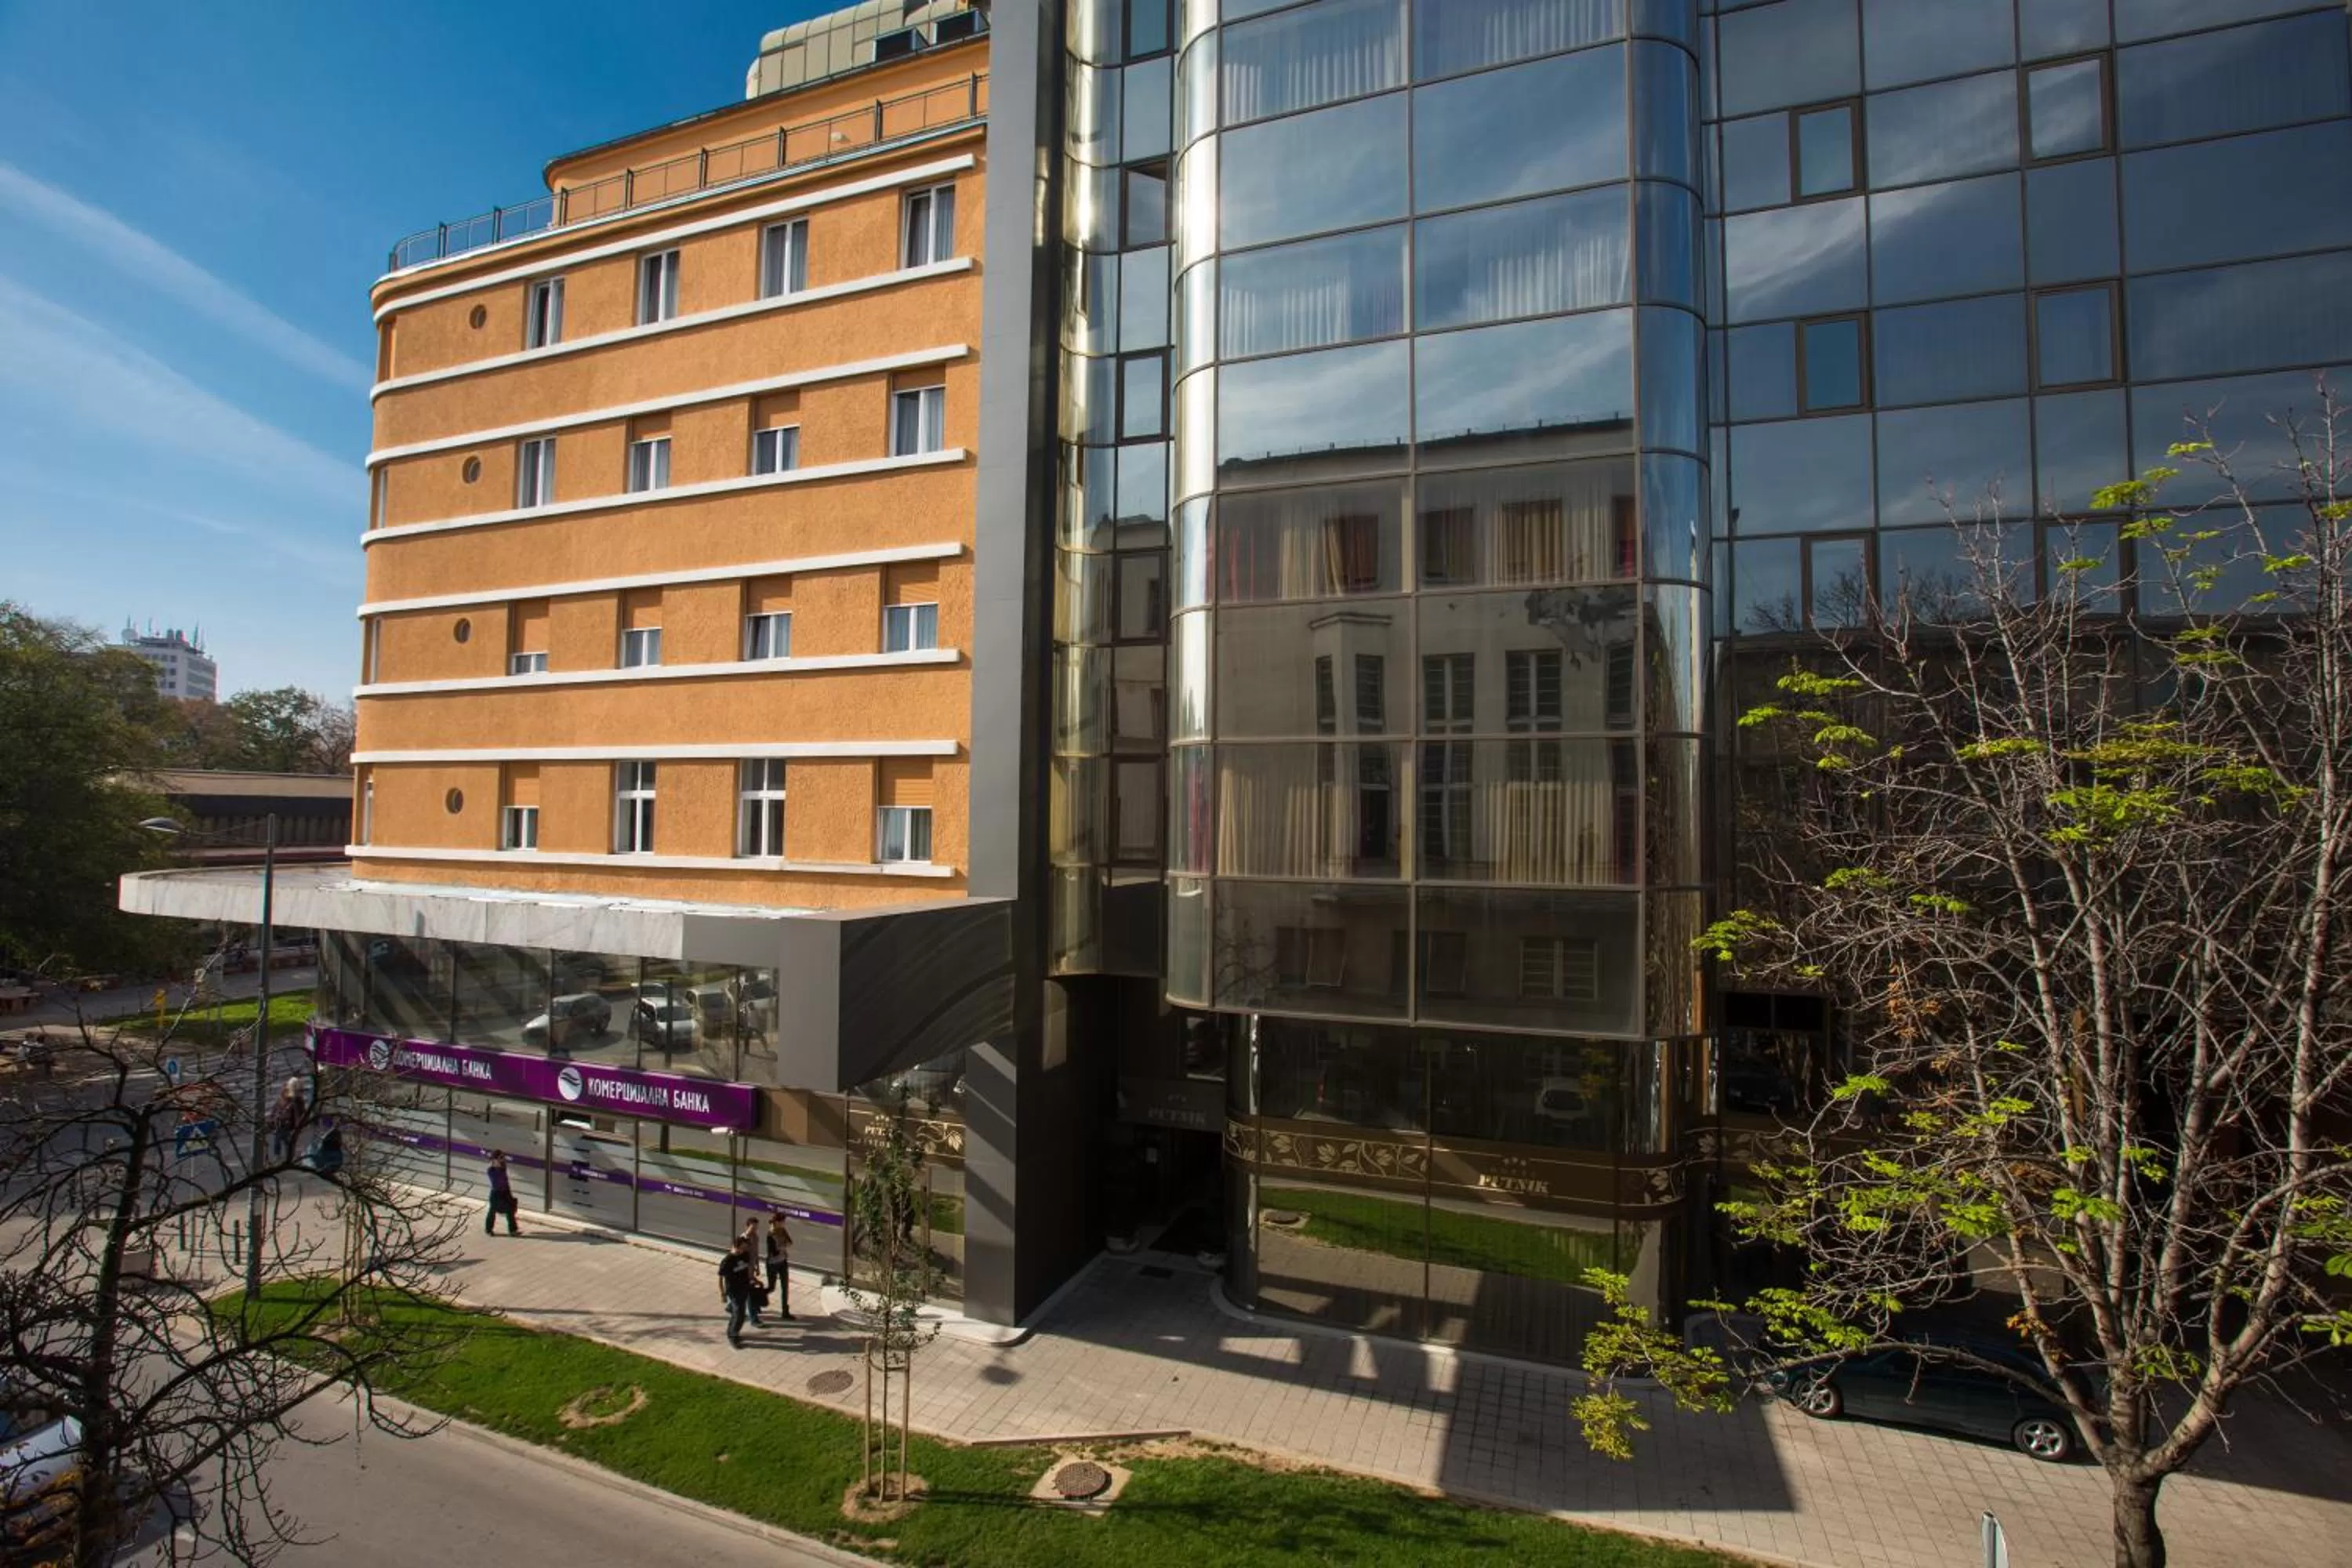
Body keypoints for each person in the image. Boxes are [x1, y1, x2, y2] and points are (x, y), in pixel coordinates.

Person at [718, 1235, 760, 1347]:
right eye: (743, 1247)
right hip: (734, 1291)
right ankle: (733, 1336)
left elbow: (747, 1270)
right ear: (737, 1246)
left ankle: (733, 1332)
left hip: (744, 1288)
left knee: (738, 1313)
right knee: (739, 1314)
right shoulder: (728, 1261)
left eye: (746, 1248)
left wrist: (753, 1280)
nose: (745, 1250)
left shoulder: (744, 1255)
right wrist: (722, 1293)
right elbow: (721, 1278)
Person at [764, 1211, 796, 1322]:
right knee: (771, 1287)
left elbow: (790, 1243)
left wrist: (782, 1247)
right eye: (783, 1222)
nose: (784, 1224)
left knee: (785, 1287)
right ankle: (756, 1299)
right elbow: (772, 1252)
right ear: (777, 1222)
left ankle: (785, 1311)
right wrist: (783, 1247)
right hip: (773, 1263)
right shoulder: (770, 1235)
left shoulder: (783, 1231)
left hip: (783, 1262)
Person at [268, 1077, 307, 1162]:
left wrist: (298, 1125)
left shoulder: (293, 1103)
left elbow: (297, 1114)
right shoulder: (280, 1101)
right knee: (277, 1141)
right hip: (280, 1125)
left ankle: (290, 1156)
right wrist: (271, 1119)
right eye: (284, 1090)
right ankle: (278, 1155)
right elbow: (274, 1110)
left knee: (288, 1142)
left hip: (288, 1126)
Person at [485, 1150, 521, 1236]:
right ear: (495, 1159)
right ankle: (488, 1229)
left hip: (505, 1192)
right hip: (496, 1193)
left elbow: (505, 1182)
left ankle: (513, 1230)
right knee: (492, 1211)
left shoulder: (503, 1168)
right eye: (500, 1158)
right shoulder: (491, 1170)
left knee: (510, 1210)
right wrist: (495, 1161)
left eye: (503, 1157)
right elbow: (497, 1181)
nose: (502, 1159)